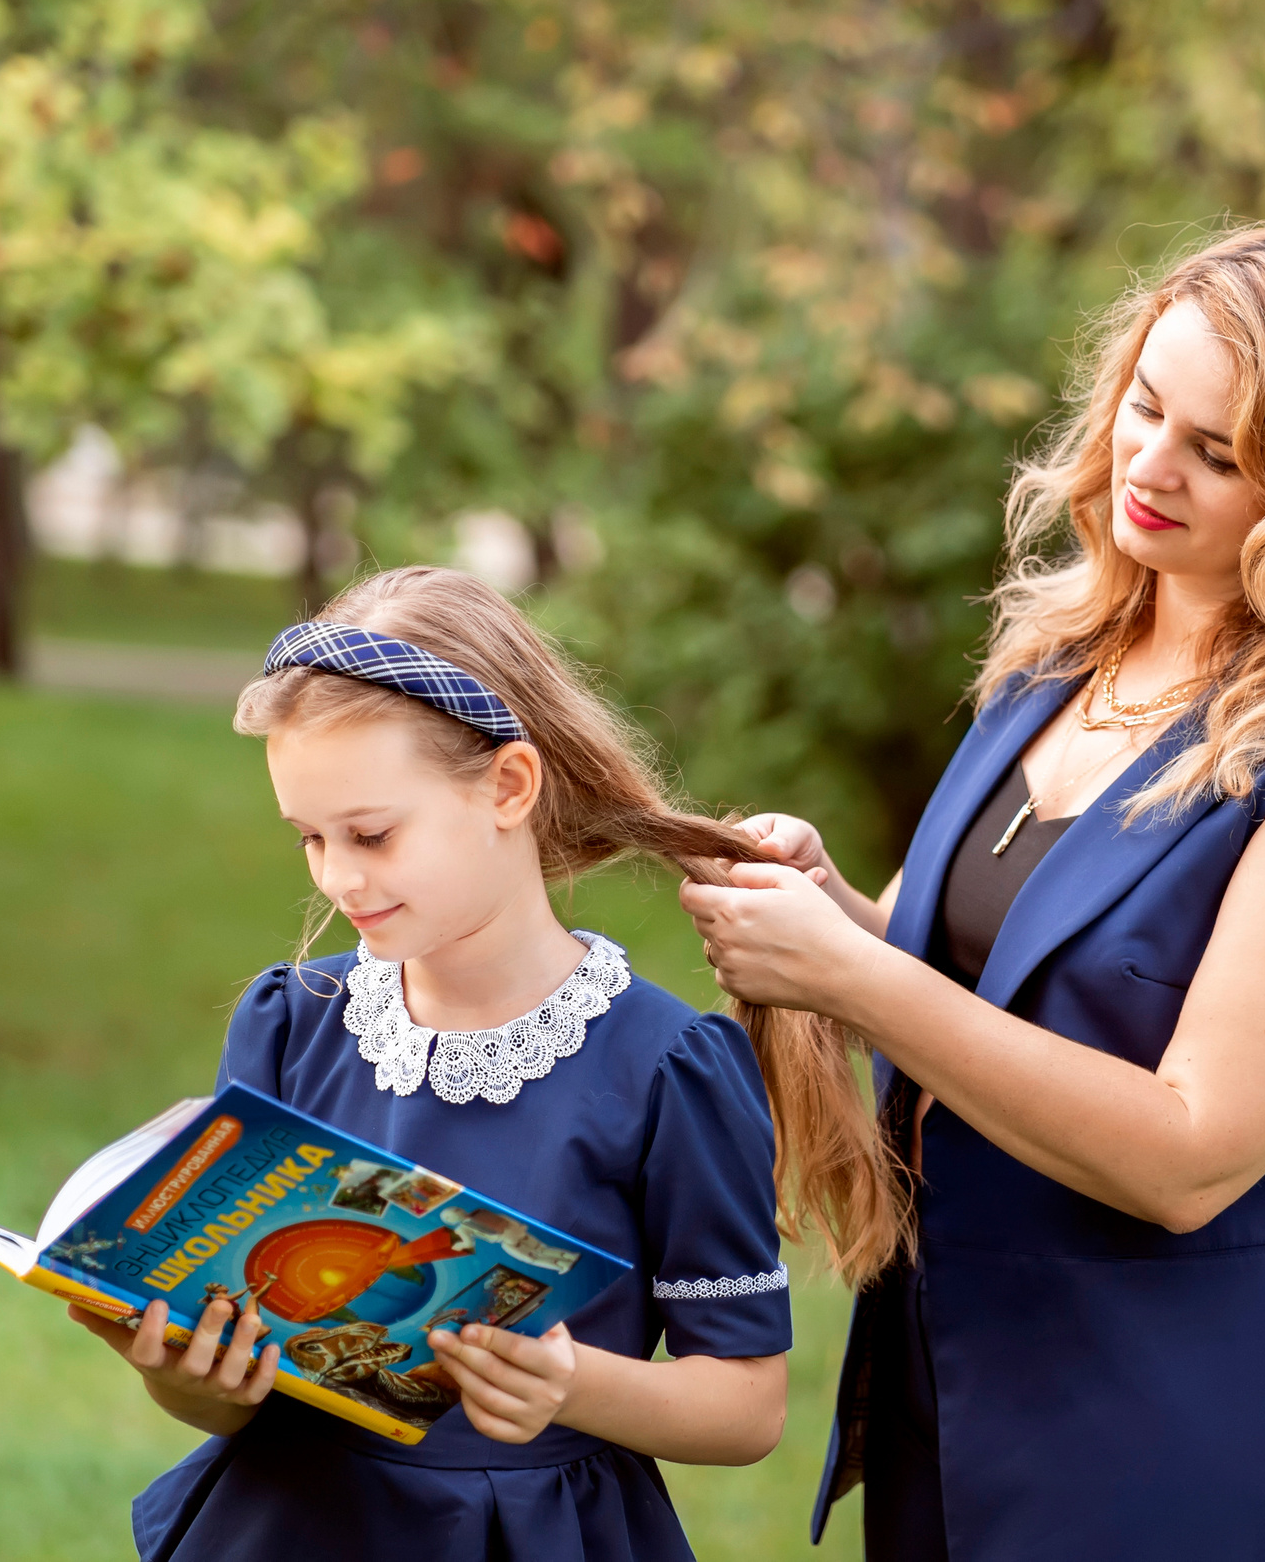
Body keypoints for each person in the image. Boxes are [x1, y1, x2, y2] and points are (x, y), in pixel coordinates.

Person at [680, 225, 1265, 1561]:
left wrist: (852, 975)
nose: (1148, 463)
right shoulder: (1061, 659)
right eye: (1146, 404)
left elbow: (1193, 1154)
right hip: (945, 1392)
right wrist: (832, 908)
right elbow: (966, 975)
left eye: (1220, 452)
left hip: (1156, 1441)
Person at [78, 566, 798, 1562]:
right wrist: (186, 1375)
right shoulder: (294, 1022)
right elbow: (233, 1393)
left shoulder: (665, 1065)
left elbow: (749, 1404)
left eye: (370, 833)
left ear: (508, 786)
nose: (338, 877)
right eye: (310, 840)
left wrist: (573, 1384)